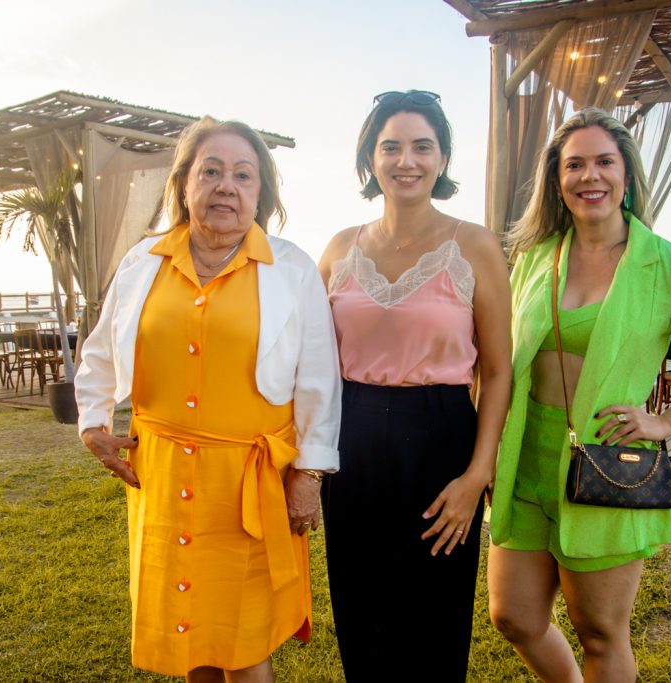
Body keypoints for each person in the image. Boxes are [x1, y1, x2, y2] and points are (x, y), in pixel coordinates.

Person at [488, 107, 671, 682]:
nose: (591, 176)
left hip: (604, 463)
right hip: (527, 459)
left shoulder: (666, 264)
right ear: (557, 182)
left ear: (627, 176)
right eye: (575, 164)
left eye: (604, 162)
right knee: (514, 616)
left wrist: (663, 422)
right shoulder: (536, 258)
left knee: (602, 633)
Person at [75, 117, 341, 682]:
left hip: (249, 482)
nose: (227, 186)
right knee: (188, 637)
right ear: (184, 185)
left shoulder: (291, 269)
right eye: (211, 171)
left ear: (261, 193)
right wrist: (93, 422)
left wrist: (310, 476)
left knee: (243, 645)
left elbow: (319, 377)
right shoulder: (142, 261)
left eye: (244, 175)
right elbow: (100, 348)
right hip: (164, 476)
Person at [318, 90, 512, 681]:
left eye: (422, 146)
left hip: (442, 439)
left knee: (434, 620)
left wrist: (478, 472)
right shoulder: (338, 249)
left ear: (443, 158)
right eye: (391, 147)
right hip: (351, 444)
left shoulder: (475, 245)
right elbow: (314, 365)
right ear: (369, 161)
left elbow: (499, 369)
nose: (407, 160)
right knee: (361, 614)